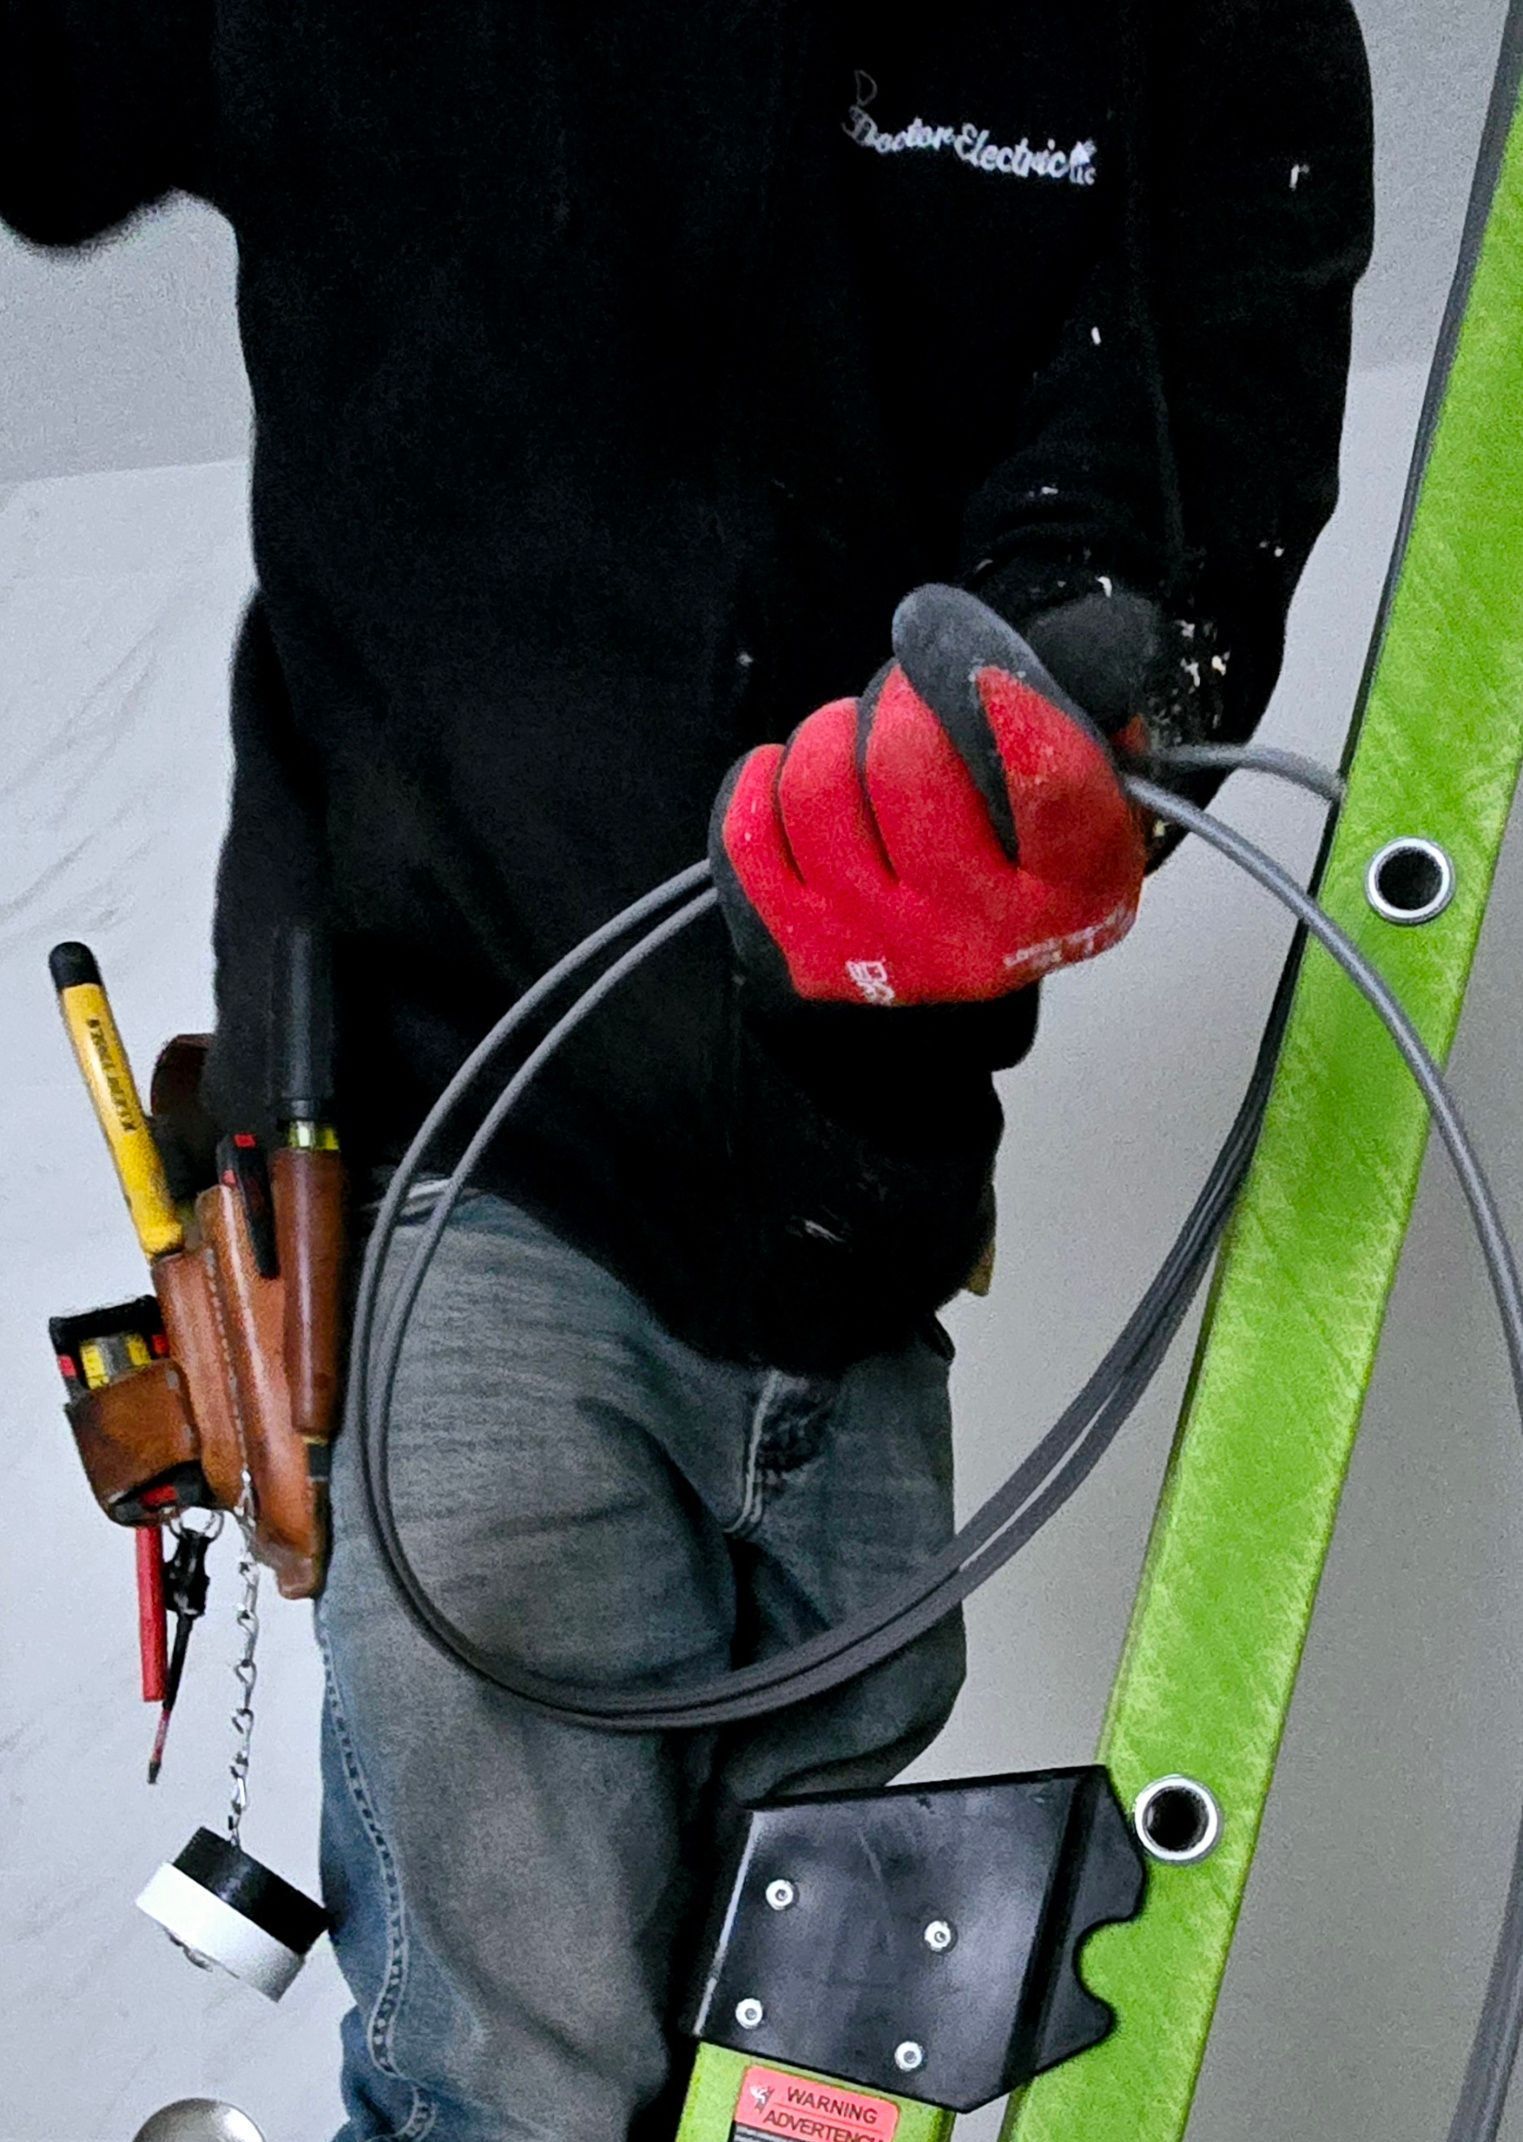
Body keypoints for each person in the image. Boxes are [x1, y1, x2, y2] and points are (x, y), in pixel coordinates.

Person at [3, 4, 1374, 2136]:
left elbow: (1175, 463)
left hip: (868, 1235)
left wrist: (1089, 680)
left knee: (783, 2082)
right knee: (524, 2086)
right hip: (479, 1173)